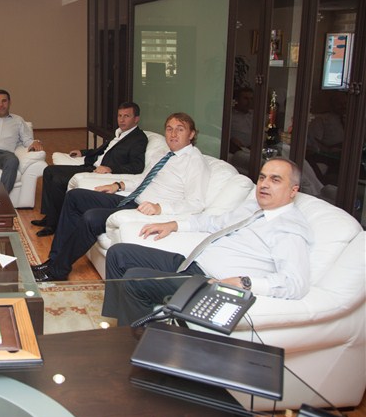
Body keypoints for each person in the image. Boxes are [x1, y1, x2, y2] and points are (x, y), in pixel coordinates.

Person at [102, 158, 310, 326]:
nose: (264, 184)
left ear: (293, 190)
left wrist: (244, 282)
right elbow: (214, 222)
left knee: (134, 278)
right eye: (262, 177)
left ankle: (137, 344)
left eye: (275, 180)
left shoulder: (289, 229)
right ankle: (120, 324)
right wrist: (174, 224)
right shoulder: (252, 207)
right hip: (192, 264)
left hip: (210, 283)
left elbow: (294, 283)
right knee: (119, 253)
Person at [33, 112, 210, 282]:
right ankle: (53, 261)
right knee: (74, 196)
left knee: (91, 218)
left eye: (180, 129)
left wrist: (159, 208)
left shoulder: (194, 161)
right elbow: (143, 179)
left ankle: (57, 270)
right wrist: (118, 185)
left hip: (145, 210)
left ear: (191, 134)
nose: (173, 134)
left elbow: (196, 203)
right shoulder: (163, 154)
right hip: (132, 199)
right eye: (169, 129)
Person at [31, 102, 147, 236]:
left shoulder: (138, 138)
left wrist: (110, 168)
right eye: (119, 116)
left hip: (99, 173)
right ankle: (50, 216)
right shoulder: (119, 133)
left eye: (126, 116)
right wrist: (83, 152)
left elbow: (137, 166)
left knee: (58, 179)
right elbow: (102, 151)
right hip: (92, 166)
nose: (121, 120)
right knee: (49, 170)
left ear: (136, 119)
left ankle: (54, 225)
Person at [229, 87, 255, 154]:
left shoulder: (255, 115)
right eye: (245, 98)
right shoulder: (230, 115)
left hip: (255, 150)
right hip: (237, 151)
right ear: (237, 100)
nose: (249, 102)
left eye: (251, 99)